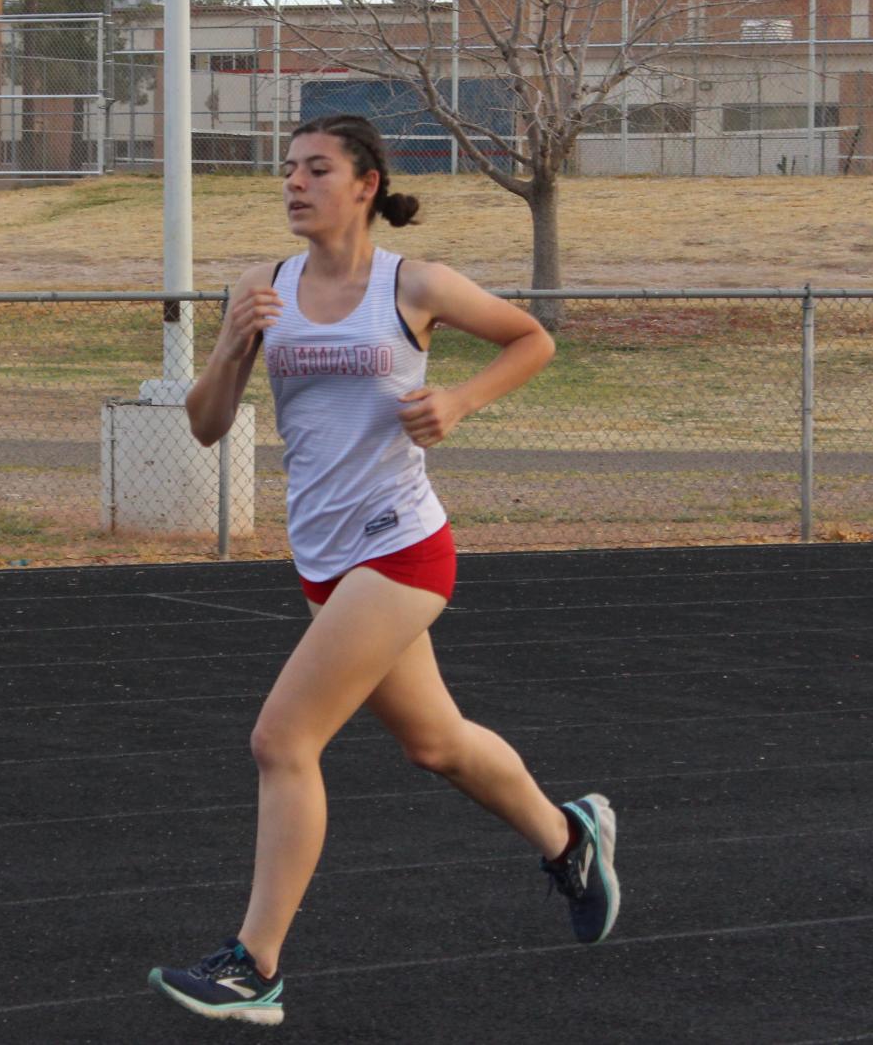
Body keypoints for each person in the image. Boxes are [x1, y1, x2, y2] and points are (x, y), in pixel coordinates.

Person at [147, 114, 618, 1027]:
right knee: (434, 745)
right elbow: (206, 425)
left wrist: (458, 399)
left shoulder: (415, 283)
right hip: (322, 558)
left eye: (315, 169)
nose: (293, 183)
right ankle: (570, 838)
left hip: (400, 546)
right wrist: (229, 344)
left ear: (364, 184)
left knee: (282, 741)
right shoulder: (262, 288)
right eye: (287, 169)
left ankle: (255, 967)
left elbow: (532, 340)